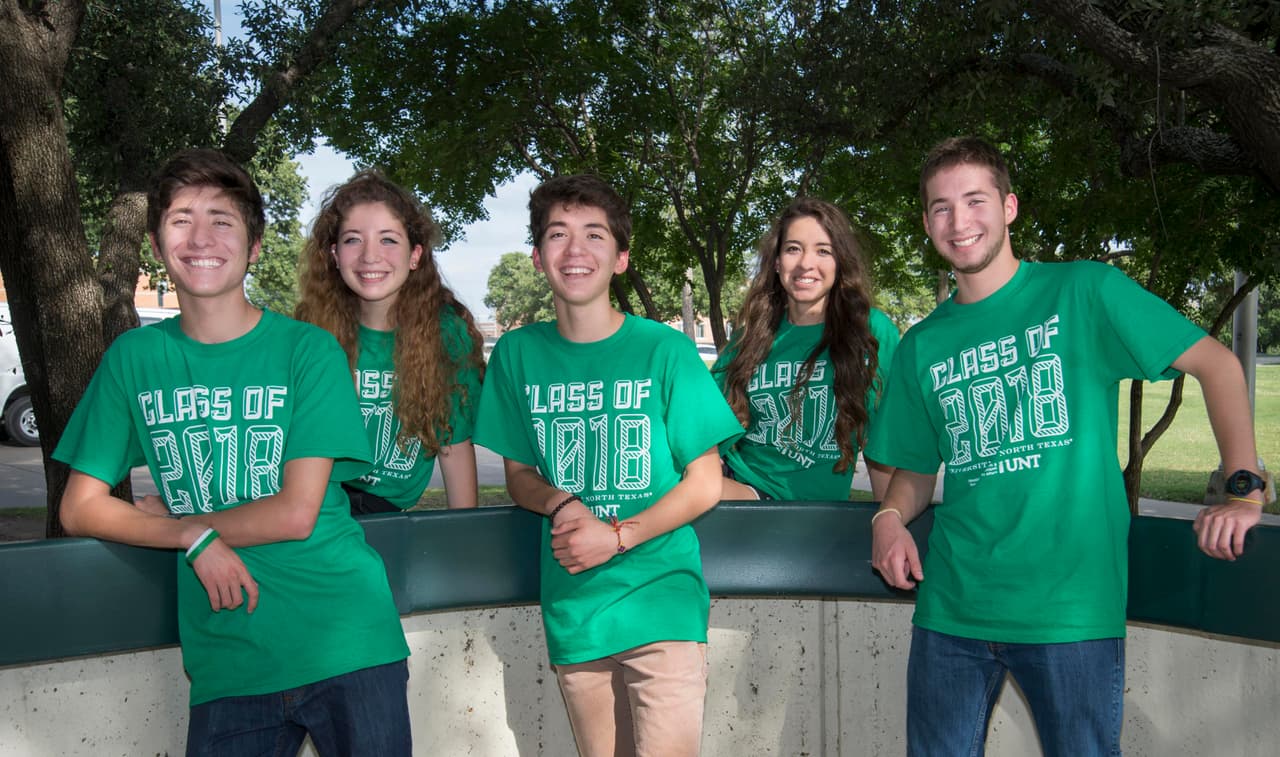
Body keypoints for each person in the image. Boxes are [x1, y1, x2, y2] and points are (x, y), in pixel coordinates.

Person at [866, 136, 1264, 756]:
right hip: (951, 611)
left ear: (1009, 207)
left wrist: (1243, 487)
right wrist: (890, 517)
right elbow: (915, 468)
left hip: (1070, 611)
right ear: (926, 223)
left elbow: (1217, 365)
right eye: (941, 207)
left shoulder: (1084, 292)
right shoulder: (923, 345)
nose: (959, 220)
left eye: (975, 200)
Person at [54, 150, 411, 756]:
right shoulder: (135, 359)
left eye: (222, 220)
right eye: (180, 219)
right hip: (228, 654)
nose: (200, 238)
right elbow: (80, 508)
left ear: (253, 245)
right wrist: (191, 537)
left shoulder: (309, 351)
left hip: (345, 638)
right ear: (156, 242)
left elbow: (295, 513)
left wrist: (173, 522)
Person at [472, 174, 744, 757]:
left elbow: (705, 481)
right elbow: (519, 476)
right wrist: (563, 503)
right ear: (539, 256)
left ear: (621, 258)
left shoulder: (664, 350)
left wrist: (618, 537)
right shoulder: (518, 354)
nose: (575, 251)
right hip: (575, 604)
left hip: (661, 597)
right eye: (557, 235)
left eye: (594, 235)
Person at [296, 170, 484, 513]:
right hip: (316, 505)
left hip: (385, 512)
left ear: (415, 255)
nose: (370, 256)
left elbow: (453, 445)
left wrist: (464, 534)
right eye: (353, 239)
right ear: (334, 255)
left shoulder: (445, 334)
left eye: (388, 239)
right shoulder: (310, 332)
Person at [714, 197, 899, 502]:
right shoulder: (750, 337)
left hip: (816, 511)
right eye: (793, 249)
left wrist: (890, 520)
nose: (805, 264)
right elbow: (702, 425)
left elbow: (886, 438)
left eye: (823, 251)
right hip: (747, 490)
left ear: (840, 261)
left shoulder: (869, 330)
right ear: (776, 262)